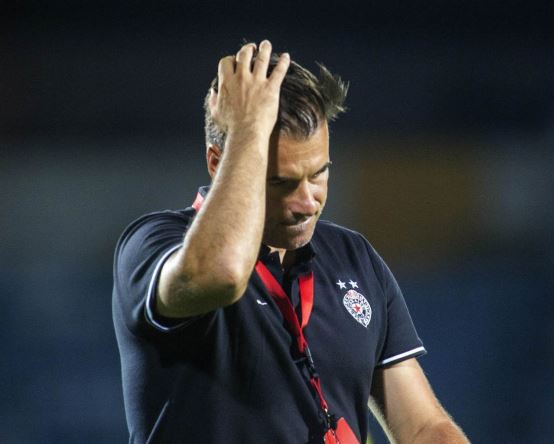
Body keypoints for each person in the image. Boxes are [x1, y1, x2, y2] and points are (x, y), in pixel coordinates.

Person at [113, 40, 469, 443]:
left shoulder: (354, 258)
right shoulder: (153, 245)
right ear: (217, 161)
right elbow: (224, 272)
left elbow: (423, 426)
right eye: (280, 182)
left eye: (318, 174)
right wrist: (247, 129)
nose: (307, 202)